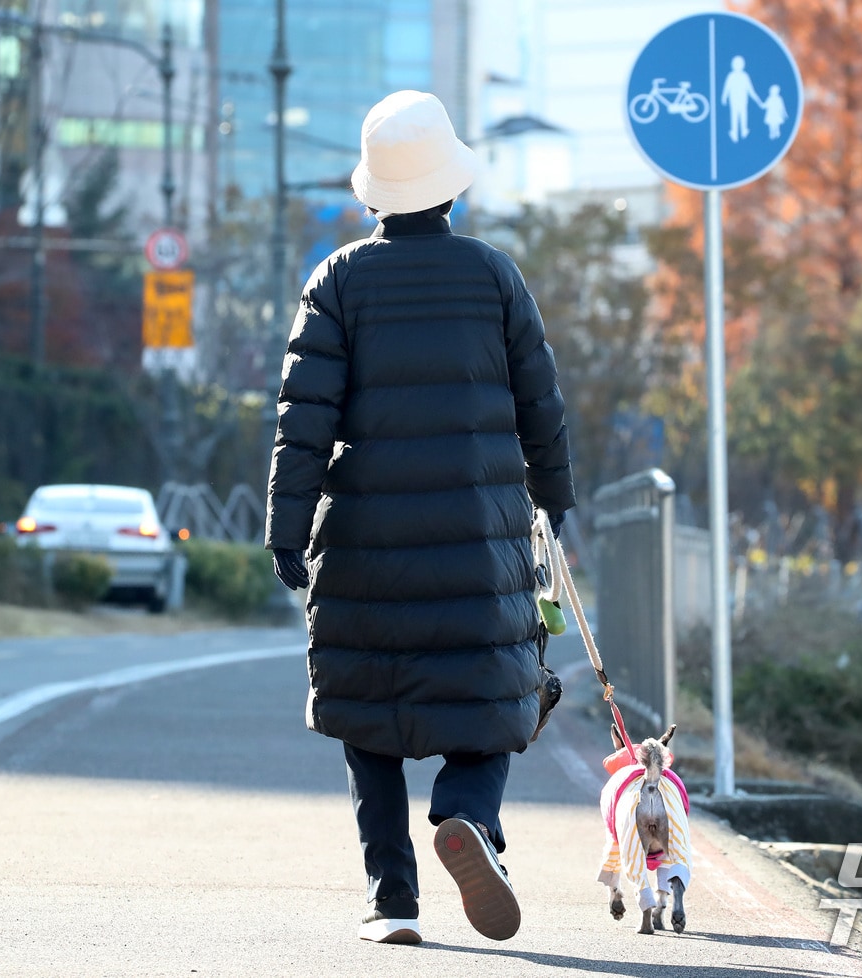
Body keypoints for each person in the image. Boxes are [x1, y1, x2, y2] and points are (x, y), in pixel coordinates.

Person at [264, 90, 576, 946]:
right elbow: (540, 404)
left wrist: (286, 531)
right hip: (480, 535)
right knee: (489, 692)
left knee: (369, 714)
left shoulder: (337, 281)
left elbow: (303, 421)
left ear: (373, 194)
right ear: (451, 187)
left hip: (365, 543)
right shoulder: (493, 274)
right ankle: (468, 815)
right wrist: (556, 497)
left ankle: (391, 900)